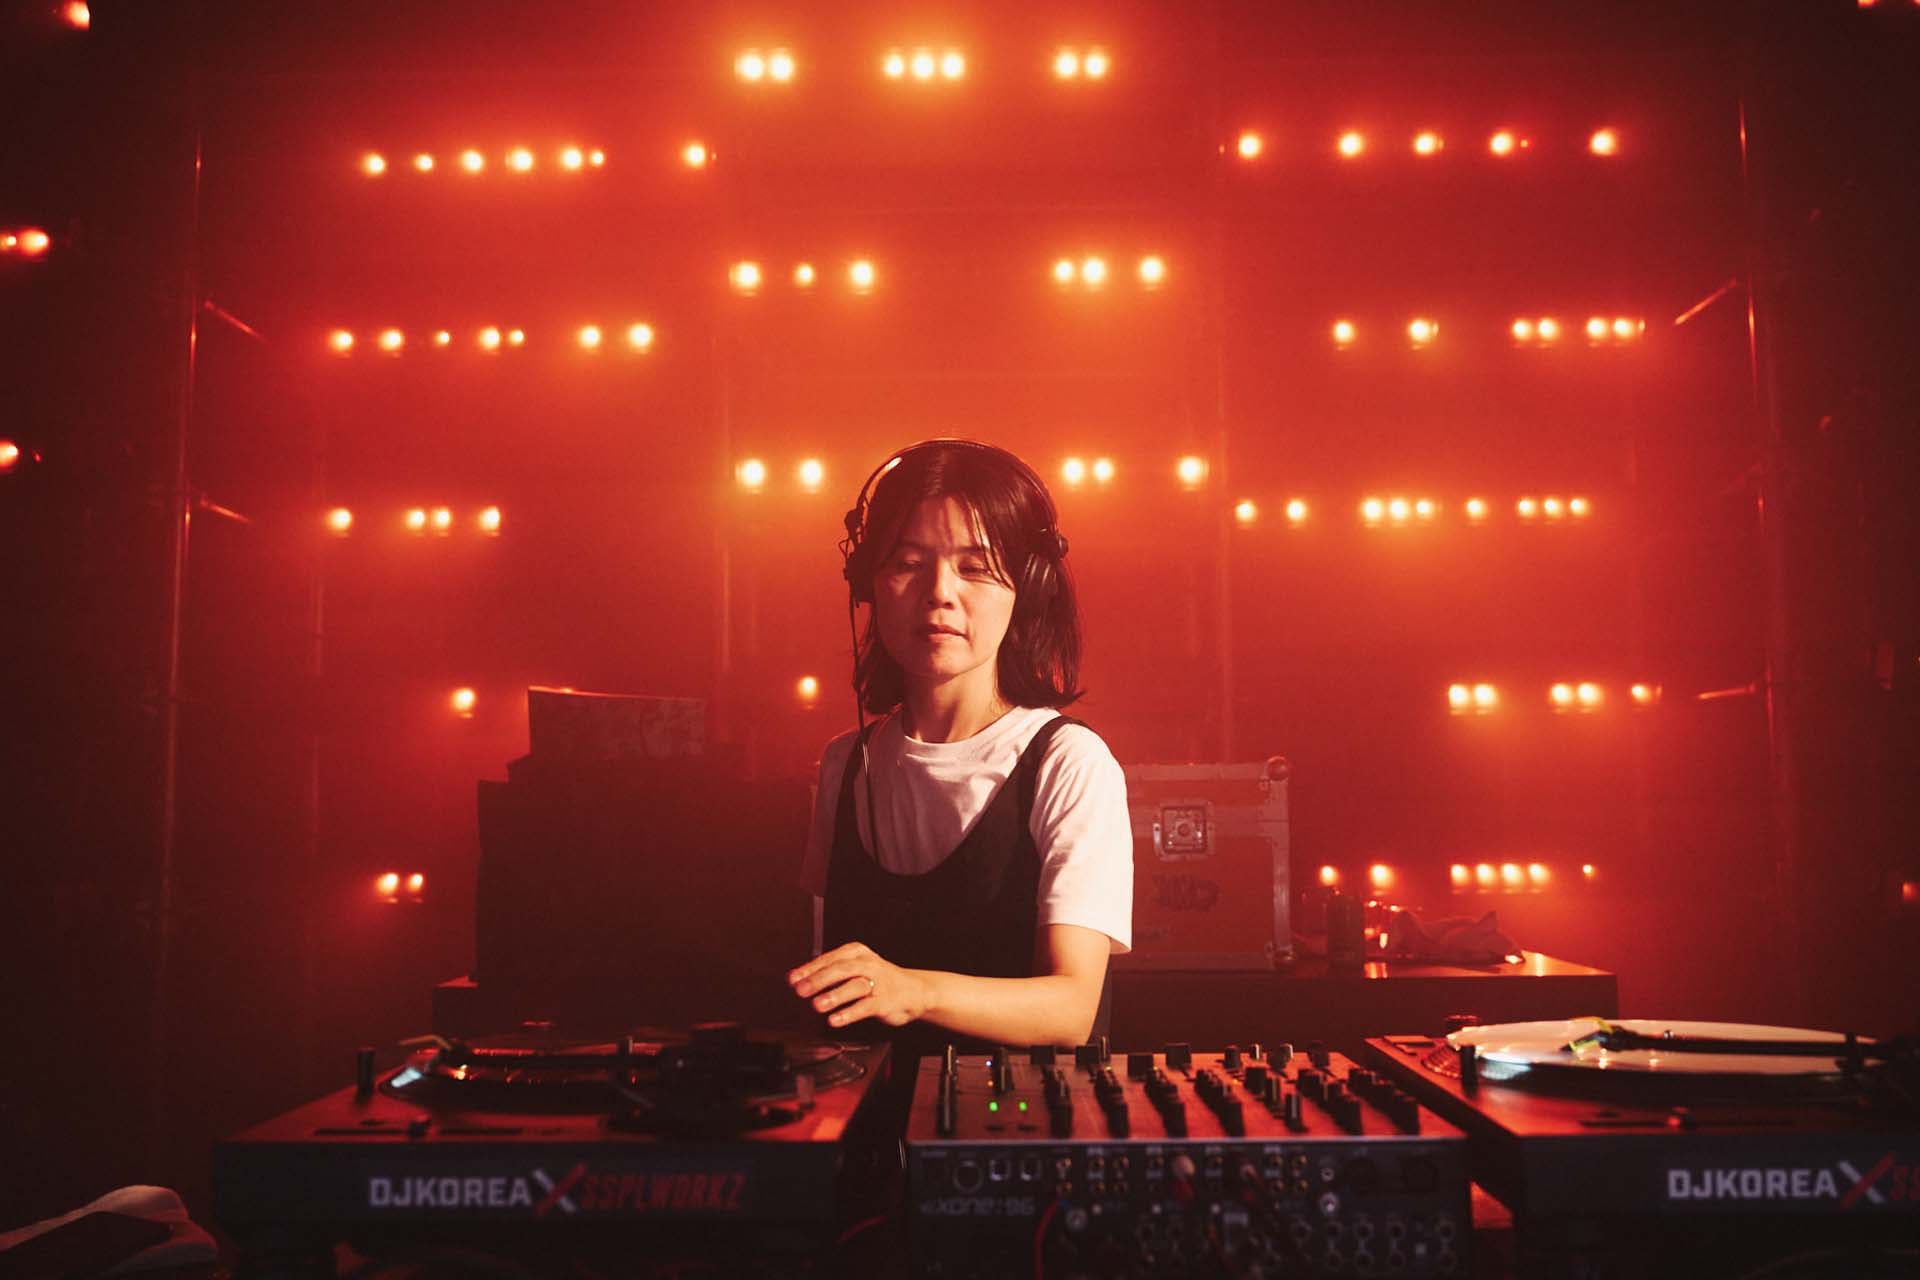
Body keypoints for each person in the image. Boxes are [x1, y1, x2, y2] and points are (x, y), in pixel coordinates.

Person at [788, 439, 1133, 1061]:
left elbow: (1072, 1009)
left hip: (1017, 1118)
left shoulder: (1069, 763)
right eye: (907, 562)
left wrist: (913, 991)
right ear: (867, 585)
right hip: (858, 1116)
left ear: (1027, 588)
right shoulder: (844, 764)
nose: (939, 592)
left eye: (974, 567)